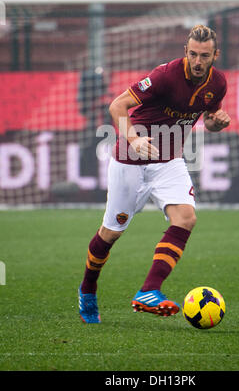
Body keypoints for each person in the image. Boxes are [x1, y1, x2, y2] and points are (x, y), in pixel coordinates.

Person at [78, 24, 231, 323]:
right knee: (111, 233)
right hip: (131, 160)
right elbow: (117, 105)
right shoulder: (165, 76)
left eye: (205, 56)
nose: (198, 62)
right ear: (185, 52)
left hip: (169, 161)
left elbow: (210, 120)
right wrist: (134, 139)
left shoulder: (218, 83)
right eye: (193, 55)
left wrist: (217, 122)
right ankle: (88, 289)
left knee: (186, 218)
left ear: (215, 55)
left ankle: (149, 290)